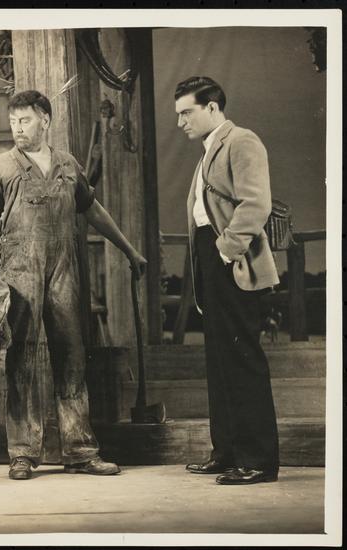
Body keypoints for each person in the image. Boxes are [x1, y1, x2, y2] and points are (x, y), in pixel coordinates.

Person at [0, 90, 148, 480]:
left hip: (64, 269)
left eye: (24, 120)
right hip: (19, 270)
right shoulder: (1, 167)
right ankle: (22, 453)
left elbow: (93, 211)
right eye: (13, 122)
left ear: (45, 119)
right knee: (21, 358)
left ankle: (81, 451)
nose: (17, 128)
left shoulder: (69, 166)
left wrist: (130, 250)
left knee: (72, 357)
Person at [175, 76, 280, 485]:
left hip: (233, 260)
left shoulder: (242, 141)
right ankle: (228, 453)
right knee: (219, 361)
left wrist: (225, 251)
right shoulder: (208, 150)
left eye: (187, 112)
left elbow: (256, 203)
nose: (181, 122)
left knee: (241, 360)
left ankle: (258, 461)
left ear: (212, 107)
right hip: (210, 257)